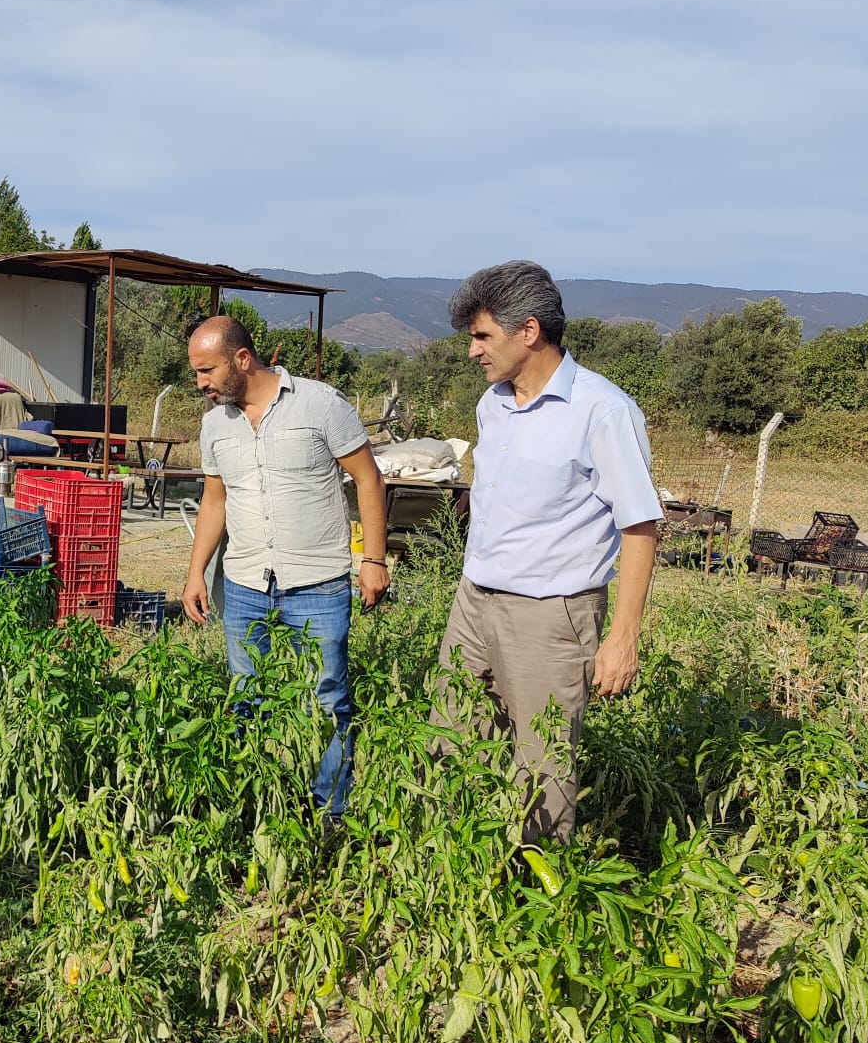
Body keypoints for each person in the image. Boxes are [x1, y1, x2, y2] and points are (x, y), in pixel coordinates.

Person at [432, 260, 662, 844]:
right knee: (452, 741)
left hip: (551, 615)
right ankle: (458, 873)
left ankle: (538, 887)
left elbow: (640, 527)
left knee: (541, 764)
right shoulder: (493, 403)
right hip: (474, 602)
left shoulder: (601, 411)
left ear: (528, 331)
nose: (473, 351)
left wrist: (623, 638)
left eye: (482, 336)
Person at [181, 316, 389, 813]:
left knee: (326, 696)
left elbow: (369, 479)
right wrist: (195, 574)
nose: (200, 383)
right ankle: (258, 803)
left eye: (207, 370)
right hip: (245, 584)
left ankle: (329, 808)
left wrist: (373, 559)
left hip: (317, 583)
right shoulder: (215, 425)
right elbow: (214, 501)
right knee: (246, 696)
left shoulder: (320, 404)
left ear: (242, 359)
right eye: (196, 373)